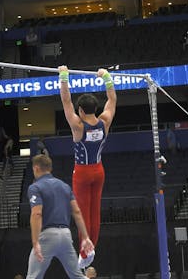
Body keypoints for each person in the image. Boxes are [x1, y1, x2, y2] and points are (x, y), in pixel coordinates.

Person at [58, 65, 116, 268]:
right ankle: (90, 248)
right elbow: (112, 100)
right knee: (94, 211)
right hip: (99, 170)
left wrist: (64, 75)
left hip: (82, 173)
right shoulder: (105, 121)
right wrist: (106, 77)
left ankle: (86, 250)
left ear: (80, 110)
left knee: (83, 212)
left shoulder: (78, 126)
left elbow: (65, 100)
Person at [26, 154, 94, 278]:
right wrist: (85, 237)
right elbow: (77, 212)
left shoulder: (35, 187)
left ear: (36, 168)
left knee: (33, 277)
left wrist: (35, 242)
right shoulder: (64, 186)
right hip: (66, 236)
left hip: (47, 236)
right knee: (78, 276)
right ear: (50, 168)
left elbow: (37, 213)